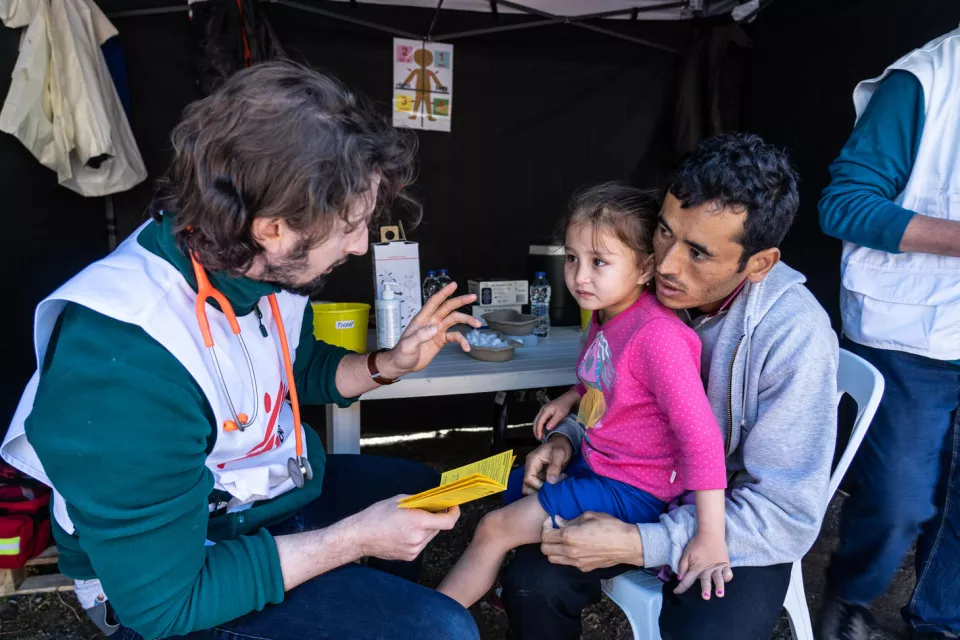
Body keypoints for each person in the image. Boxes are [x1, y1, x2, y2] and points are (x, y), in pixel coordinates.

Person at [0, 62, 483, 640]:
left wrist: (388, 364)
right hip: (171, 586)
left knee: (418, 489)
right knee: (443, 630)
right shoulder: (125, 362)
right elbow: (167, 604)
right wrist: (352, 539)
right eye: (352, 224)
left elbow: (296, 369)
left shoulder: (250, 264)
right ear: (274, 228)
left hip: (259, 503)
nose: (360, 246)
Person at [500, 133, 840, 640]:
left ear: (759, 263)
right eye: (664, 231)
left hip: (730, 524)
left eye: (698, 253)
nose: (665, 264)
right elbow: (612, 386)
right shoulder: (633, 292)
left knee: (709, 632)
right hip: (635, 484)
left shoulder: (794, 335)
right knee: (532, 578)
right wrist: (569, 435)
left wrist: (642, 543)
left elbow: (785, 513)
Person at [437, 184, 731, 609]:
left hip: (633, 490)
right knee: (517, 484)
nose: (579, 276)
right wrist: (571, 397)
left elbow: (701, 438)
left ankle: (429, 621)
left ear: (646, 267)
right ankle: (509, 582)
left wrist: (709, 536)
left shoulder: (657, 337)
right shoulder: (605, 313)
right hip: (602, 466)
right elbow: (606, 375)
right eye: (572, 258)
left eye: (599, 262)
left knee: (493, 528)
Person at [818, 27, 960, 640]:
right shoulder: (923, 79)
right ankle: (848, 596)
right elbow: (842, 205)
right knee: (899, 501)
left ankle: (939, 624)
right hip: (908, 334)